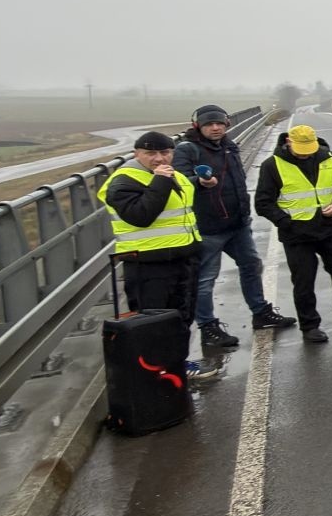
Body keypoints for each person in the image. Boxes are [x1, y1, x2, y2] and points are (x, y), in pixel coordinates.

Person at [173, 105, 294, 348]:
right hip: (207, 227)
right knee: (205, 280)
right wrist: (199, 182)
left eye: (219, 123)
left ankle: (261, 313)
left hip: (237, 224)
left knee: (251, 266)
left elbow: (238, 182)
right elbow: (178, 182)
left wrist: (244, 215)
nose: (215, 128)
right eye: (209, 125)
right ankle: (208, 328)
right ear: (198, 126)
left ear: (227, 124)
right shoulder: (187, 150)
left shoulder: (228, 146)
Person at [253, 125, 332, 343]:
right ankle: (310, 325)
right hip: (297, 234)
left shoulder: (329, 158)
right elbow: (263, 203)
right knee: (303, 281)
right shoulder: (272, 165)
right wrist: (285, 222)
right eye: (301, 149)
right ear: (289, 142)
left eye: (309, 149)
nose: (305, 154)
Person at [101, 130, 203, 324]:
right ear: (136, 154)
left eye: (165, 152)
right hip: (148, 265)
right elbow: (140, 216)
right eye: (151, 153)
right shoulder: (123, 181)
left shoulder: (175, 175)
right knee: (153, 325)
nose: (159, 158)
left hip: (182, 259)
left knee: (182, 318)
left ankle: (179, 345)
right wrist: (161, 181)